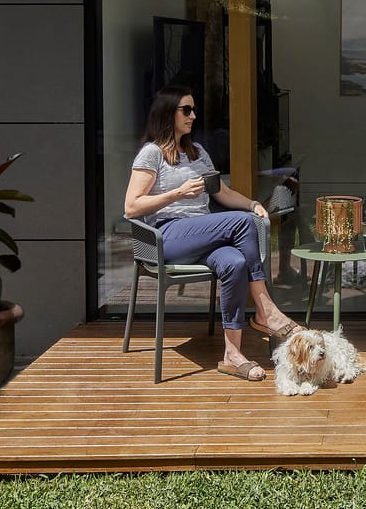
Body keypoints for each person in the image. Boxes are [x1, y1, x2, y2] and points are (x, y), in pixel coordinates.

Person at [124, 85, 299, 381]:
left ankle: (232, 355)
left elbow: (223, 192)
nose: (193, 115)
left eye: (193, 109)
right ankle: (265, 309)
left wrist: (253, 203)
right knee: (242, 223)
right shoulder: (152, 153)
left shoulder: (198, 152)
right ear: (168, 113)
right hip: (167, 235)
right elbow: (131, 206)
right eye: (186, 110)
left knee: (234, 263)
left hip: (200, 233)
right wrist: (177, 194)